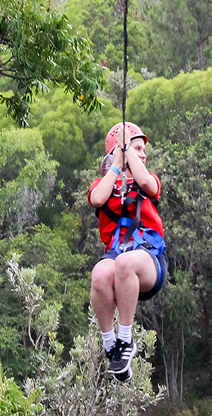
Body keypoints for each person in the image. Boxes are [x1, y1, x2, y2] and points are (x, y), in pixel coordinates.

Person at [88, 121, 168, 381]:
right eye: (137, 148)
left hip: (148, 257)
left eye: (142, 150)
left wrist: (128, 151)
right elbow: (97, 199)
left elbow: (146, 181)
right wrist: (116, 162)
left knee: (125, 263)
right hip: (117, 252)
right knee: (100, 273)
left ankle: (125, 339)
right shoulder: (102, 184)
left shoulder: (148, 180)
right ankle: (111, 346)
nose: (142, 154)